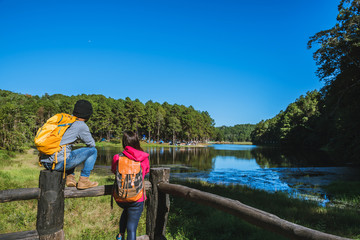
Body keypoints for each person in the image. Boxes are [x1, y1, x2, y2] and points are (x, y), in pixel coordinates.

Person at [40, 99, 98, 189]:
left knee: (69, 151)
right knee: (93, 151)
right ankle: (84, 180)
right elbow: (91, 144)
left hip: (46, 162)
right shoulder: (81, 125)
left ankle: (70, 177)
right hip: (58, 164)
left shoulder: (65, 121)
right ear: (88, 115)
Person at [112, 131, 150, 240]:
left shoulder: (117, 157)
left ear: (124, 143)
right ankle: (122, 235)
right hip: (137, 198)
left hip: (120, 197)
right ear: (136, 141)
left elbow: (114, 170)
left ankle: (120, 235)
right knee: (132, 228)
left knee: (126, 210)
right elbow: (146, 171)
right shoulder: (144, 157)